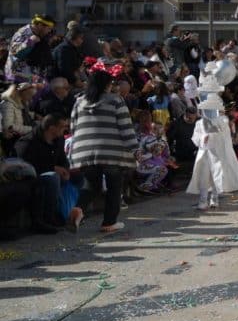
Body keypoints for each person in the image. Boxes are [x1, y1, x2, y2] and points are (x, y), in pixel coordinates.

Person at [68, 70, 138, 233]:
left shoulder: (79, 102)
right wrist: (134, 149)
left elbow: (73, 127)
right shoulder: (115, 100)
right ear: (107, 85)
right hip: (111, 151)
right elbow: (125, 127)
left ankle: (78, 208)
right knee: (114, 185)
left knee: (91, 184)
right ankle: (109, 222)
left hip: (84, 150)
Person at [14, 113, 74, 233]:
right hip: (32, 176)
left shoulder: (58, 140)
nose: (65, 130)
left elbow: (62, 159)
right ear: (52, 128)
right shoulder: (29, 141)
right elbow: (25, 166)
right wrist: (53, 168)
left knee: (78, 176)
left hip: (52, 174)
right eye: (62, 127)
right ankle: (48, 218)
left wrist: (66, 169)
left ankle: (68, 213)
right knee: (53, 177)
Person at [188, 94, 238, 210]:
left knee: (216, 176)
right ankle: (202, 200)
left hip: (217, 153)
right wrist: (202, 139)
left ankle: (214, 199)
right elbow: (195, 138)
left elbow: (225, 136)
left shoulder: (222, 121)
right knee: (203, 177)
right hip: (204, 153)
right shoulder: (199, 123)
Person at [4, 13, 55, 83]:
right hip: (17, 76)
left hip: (33, 76)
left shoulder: (41, 35)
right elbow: (15, 52)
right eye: (48, 28)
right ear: (40, 25)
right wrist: (30, 42)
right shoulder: (23, 32)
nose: (49, 31)